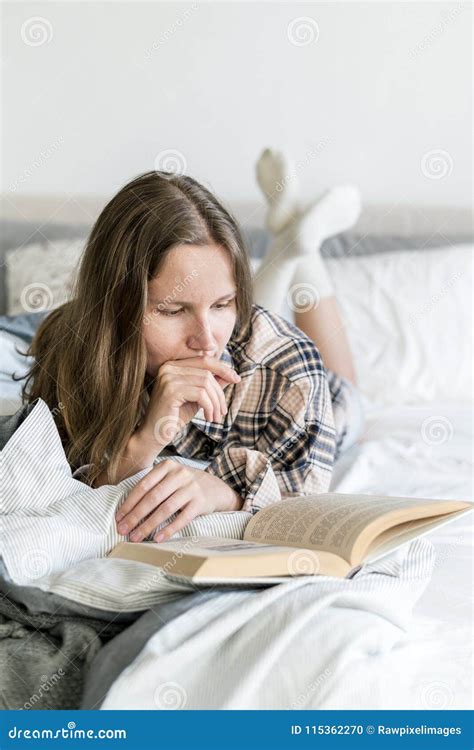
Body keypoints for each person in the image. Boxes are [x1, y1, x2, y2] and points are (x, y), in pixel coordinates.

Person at [19, 162, 364, 544]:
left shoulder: (291, 372)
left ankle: (300, 251)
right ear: (116, 306)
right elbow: (66, 485)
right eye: (172, 310)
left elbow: (305, 511)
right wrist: (147, 437)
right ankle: (283, 244)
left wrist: (223, 492)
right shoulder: (71, 343)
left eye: (223, 304)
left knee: (349, 386)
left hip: (325, 398)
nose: (206, 341)